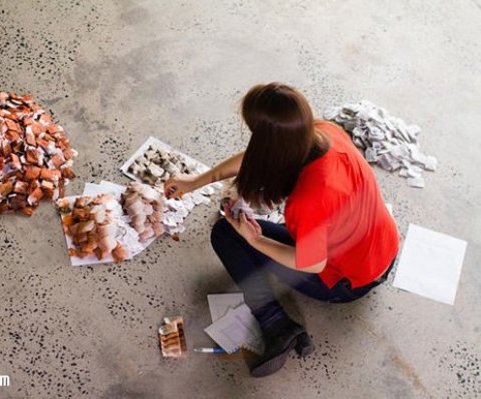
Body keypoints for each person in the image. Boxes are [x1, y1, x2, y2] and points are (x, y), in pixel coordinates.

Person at [164, 83, 399, 378]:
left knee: (226, 235)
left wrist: (257, 239)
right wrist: (196, 181)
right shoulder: (325, 131)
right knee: (273, 229)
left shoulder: (309, 200)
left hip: (348, 279)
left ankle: (276, 323)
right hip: (380, 248)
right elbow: (255, 155)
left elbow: (313, 262)